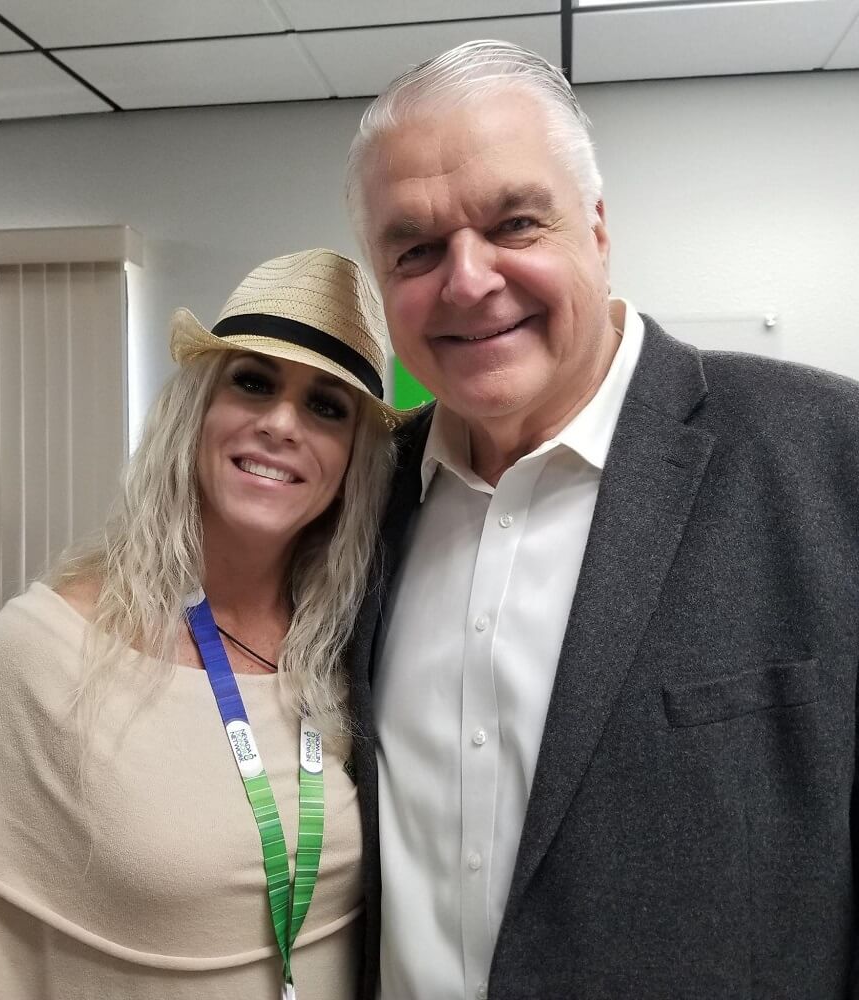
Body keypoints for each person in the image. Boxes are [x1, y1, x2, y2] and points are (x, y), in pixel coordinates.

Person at [342, 39, 859, 1000]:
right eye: (414, 248)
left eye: (515, 223)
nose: (466, 280)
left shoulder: (829, 457)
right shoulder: (360, 501)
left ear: (598, 228)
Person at [0, 248, 398, 1000]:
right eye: (253, 383)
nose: (282, 424)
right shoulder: (47, 648)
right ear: (198, 412)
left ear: (354, 458)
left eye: (327, 406)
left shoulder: (350, 657)